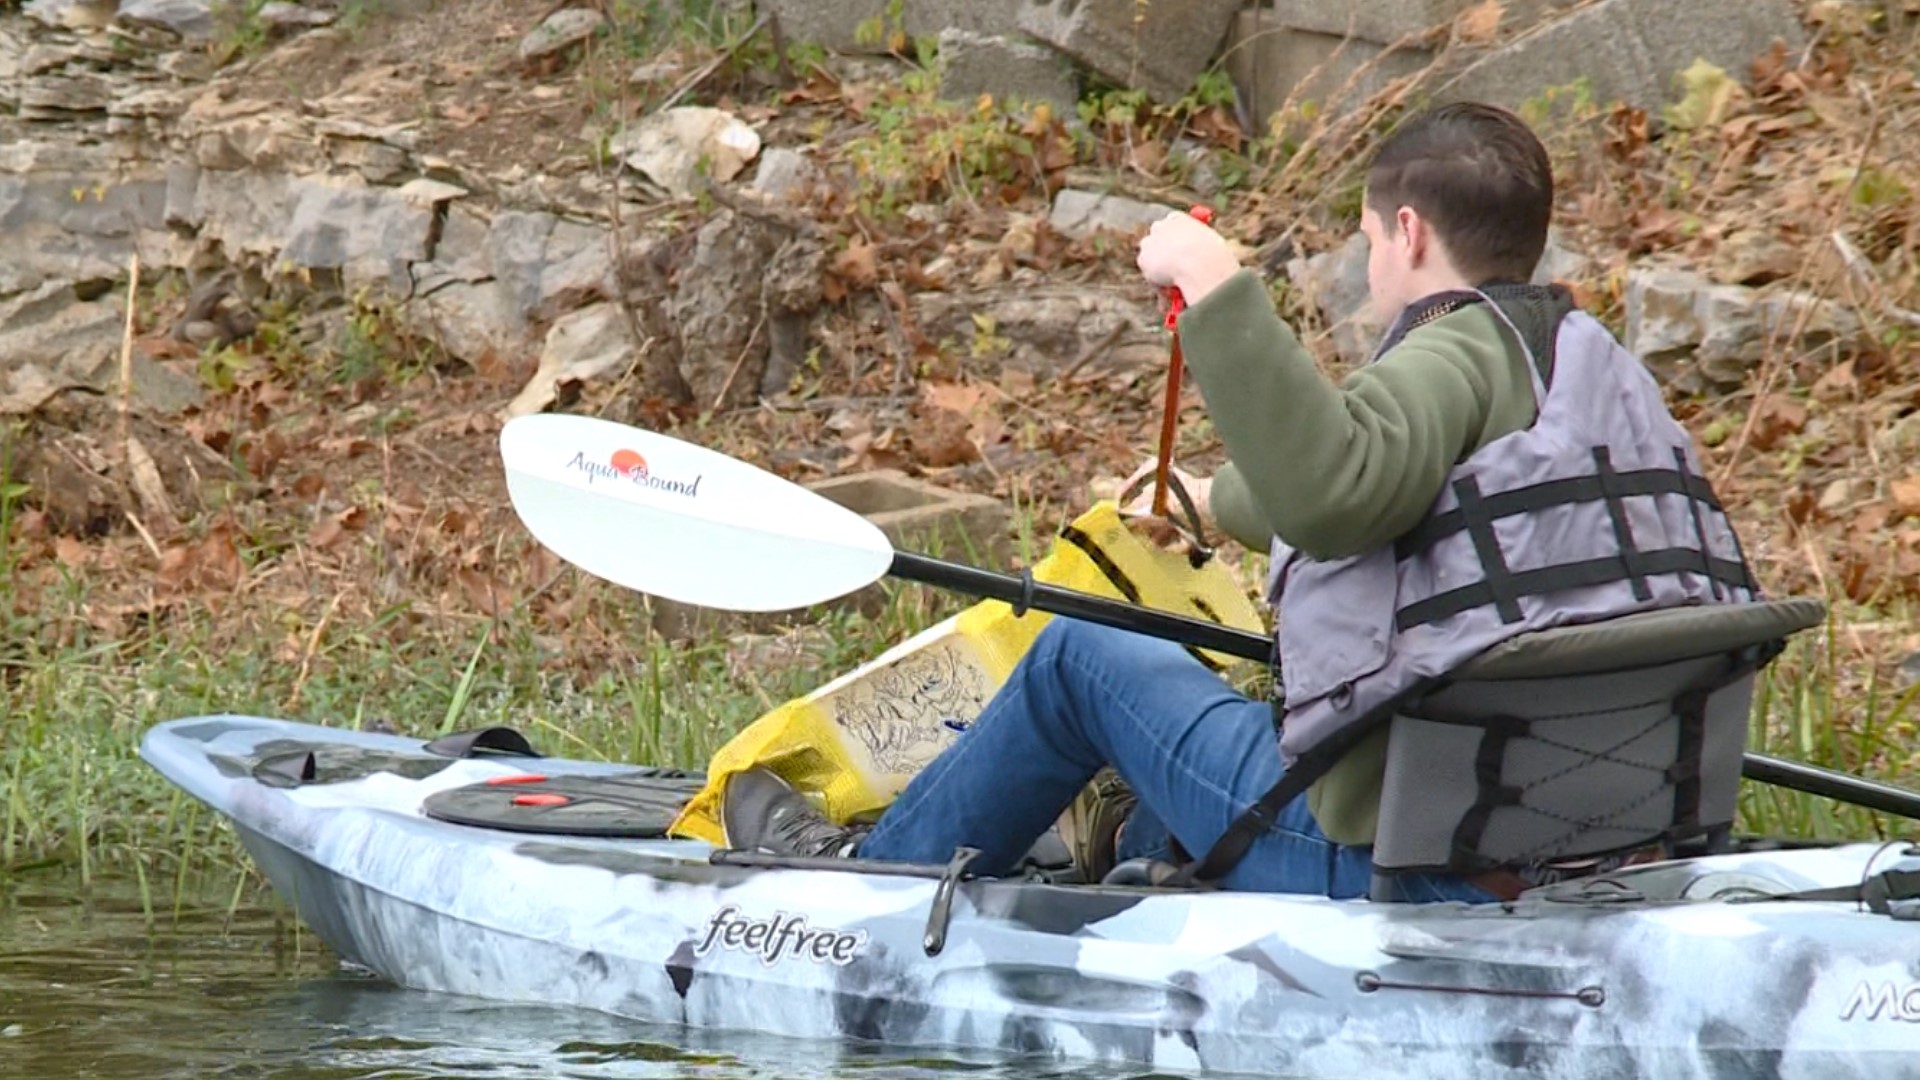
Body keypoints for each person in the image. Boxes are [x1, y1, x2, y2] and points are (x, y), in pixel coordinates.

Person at [718, 101, 1753, 901]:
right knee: (1216, 721)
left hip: (1403, 860)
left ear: (1406, 232)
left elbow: (1338, 488)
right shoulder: (1583, 369)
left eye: (1366, 242)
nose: (1367, 266)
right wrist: (1213, 499)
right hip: (1589, 829)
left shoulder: (1448, 354)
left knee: (1084, 657)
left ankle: (864, 886)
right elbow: (1412, 500)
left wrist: (1213, 283)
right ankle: (1139, 842)